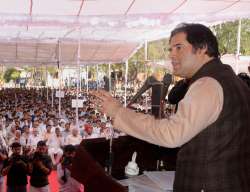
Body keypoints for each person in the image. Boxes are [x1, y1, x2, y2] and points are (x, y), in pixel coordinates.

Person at [94, 23, 250, 191]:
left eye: (178, 47)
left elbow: (172, 133)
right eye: (170, 50)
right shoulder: (232, 80)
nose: (172, 55)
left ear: (202, 48)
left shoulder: (207, 84)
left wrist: (118, 112)